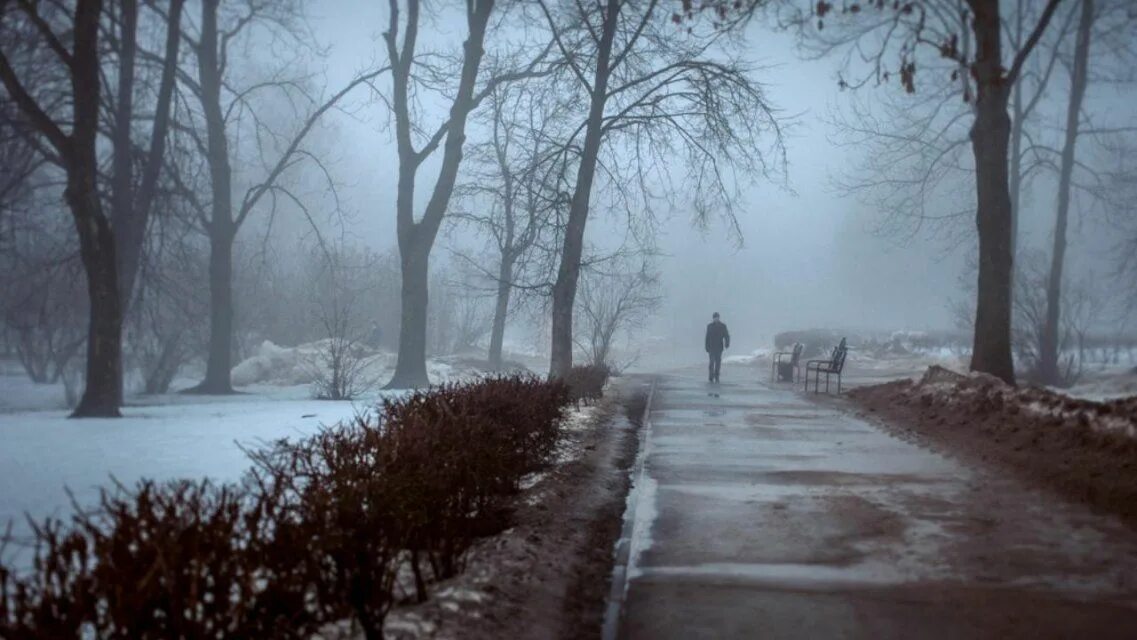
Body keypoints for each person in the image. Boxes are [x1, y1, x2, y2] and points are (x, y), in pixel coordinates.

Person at [704, 312, 730, 383]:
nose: (716, 319)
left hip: (719, 347)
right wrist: (706, 346)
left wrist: (727, 343)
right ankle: (711, 376)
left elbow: (726, 335)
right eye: (715, 318)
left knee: (718, 362)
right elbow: (707, 337)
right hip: (711, 347)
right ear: (713, 318)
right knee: (712, 362)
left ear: (719, 318)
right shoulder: (710, 326)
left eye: (717, 317)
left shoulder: (723, 326)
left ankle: (717, 375)